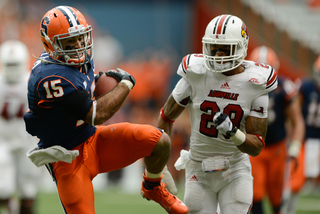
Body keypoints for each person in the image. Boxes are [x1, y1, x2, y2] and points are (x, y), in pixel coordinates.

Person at [23, 6, 188, 214]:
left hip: (93, 140)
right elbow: (96, 115)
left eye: (80, 38)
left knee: (160, 141)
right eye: (69, 42)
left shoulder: (78, 59)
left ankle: (153, 186)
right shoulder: (50, 76)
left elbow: (87, 90)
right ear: (51, 45)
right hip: (67, 157)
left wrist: (101, 81)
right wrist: (125, 84)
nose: (77, 46)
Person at [156, 14, 278, 214]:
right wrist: (160, 167)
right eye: (214, 48)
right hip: (198, 170)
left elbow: (256, 147)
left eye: (225, 49)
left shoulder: (255, 83)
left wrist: (233, 132)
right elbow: (166, 117)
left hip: (235, 170)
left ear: (241, 48)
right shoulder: (195, 73)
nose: (218, 55)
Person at [247, 46, 305, 214]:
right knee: (254, 194)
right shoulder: (245, 86)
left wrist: (295, 146)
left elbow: (297, 120)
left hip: (277, 148)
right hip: (254, 147)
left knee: (277, 196)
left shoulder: (284, 86)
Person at [0, 40, 42, 214]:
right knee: (2, 189)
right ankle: (12, 207)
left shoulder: (31, 81)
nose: (12, 68)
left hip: (27, 141)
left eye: (14, 64)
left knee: (28, 189)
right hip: (3, 140)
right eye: (9, 64)